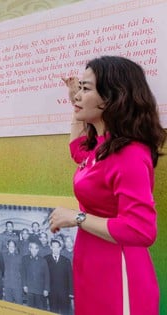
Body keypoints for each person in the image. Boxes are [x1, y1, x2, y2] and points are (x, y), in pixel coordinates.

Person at [50, 56, 165, 315]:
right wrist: (76, 105)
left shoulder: (130, 154)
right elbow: (77, 150)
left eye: (86, 88)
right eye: (78, 88)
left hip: (119, 273)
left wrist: (77, 217)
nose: (78, 95)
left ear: (113, 97)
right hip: (93, 267)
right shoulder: (101, 147)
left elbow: (141, 230)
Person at [44, 240, 72, 315]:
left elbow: (70, 277)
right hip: (52, 292)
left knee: (65, 312)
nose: (55, 249)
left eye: (57, 247)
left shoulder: (66, 260)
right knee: (53, 311)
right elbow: (43, 275)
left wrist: (71, 292)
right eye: (53, 247)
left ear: (60, 248)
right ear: (51, 247)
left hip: (64, 293)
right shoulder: (46, 259)